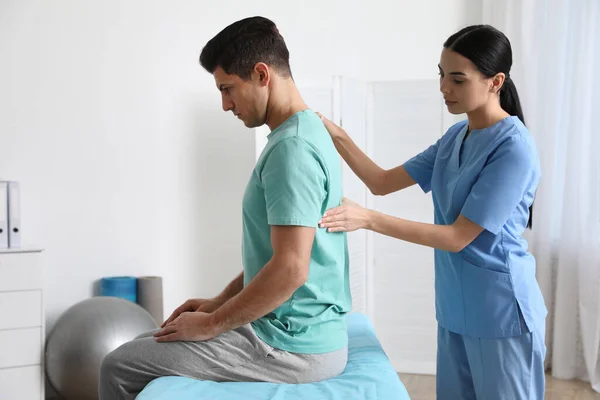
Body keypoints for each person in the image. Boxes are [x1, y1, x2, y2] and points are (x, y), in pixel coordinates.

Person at [98, 16, 351, 399]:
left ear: (262, 74)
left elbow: (290, 269)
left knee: (118, 365)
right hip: (298, 331)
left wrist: (214, 322)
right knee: (149, 338)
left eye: (228, 89)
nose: (225, 104)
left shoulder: (292, 150)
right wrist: (219, 302)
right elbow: (274, 257)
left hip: (291, 346)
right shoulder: (306, 130)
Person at [317, 25, 547, 400]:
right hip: (454, 309)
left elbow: (457, 237)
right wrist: (336, 134)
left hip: (500, 313)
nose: (444, 88)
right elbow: (380, 181)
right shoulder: (455, 138)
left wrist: (369, 219)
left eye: (457, 79)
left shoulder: (514, 148)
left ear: (495, 81)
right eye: (441, 75)